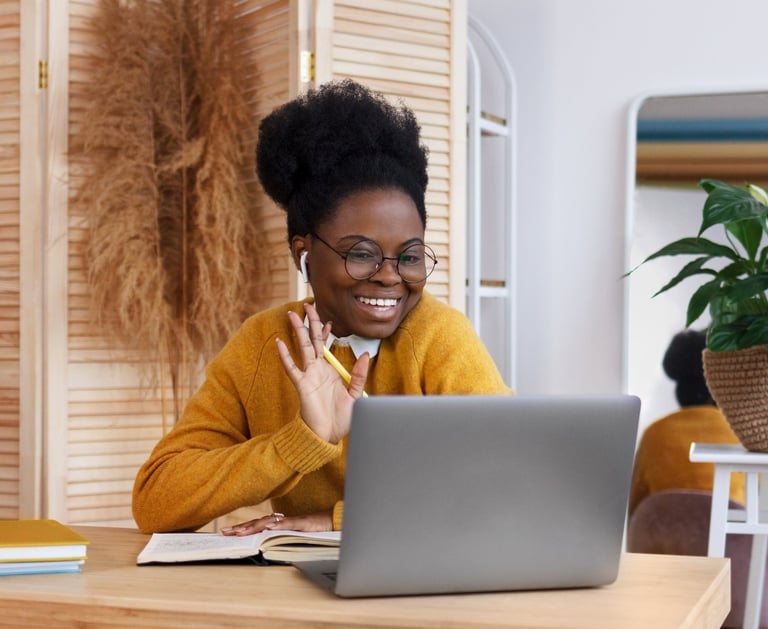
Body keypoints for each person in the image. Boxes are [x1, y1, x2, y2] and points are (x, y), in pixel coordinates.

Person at [132, 79, 512, 535]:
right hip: (299, 593)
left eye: (409, 256)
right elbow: (155, 500)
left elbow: (505, 486)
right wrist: (301, 442)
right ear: (303, 254)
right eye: (362, 253)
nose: (390, 275)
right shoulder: (265, 344)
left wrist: (335, 523)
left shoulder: (439, 337)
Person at [628, 329, 745, 516]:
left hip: (661, 541)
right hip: (730, 543)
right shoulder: (739, 433)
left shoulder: (654, 434)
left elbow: (635, 507)